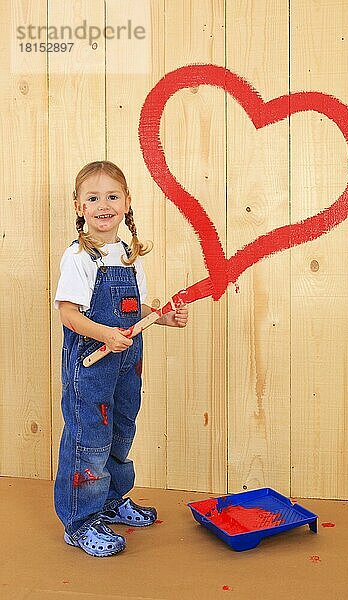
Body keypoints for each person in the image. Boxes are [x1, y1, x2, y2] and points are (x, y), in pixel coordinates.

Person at [53, 160, 188, 557]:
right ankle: (80, 521)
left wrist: (162, 317)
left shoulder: (127, 254)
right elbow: (68, 314)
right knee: (89, 439)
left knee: (120, 433)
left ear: (127, 203)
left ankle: (110, 502)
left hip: (127, 364)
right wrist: (105, 335)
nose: (103, 205)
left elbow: (136, 309)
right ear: (78, 206)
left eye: (112, 196)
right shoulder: (78, 257)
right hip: (92, 363)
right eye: (92, 198)